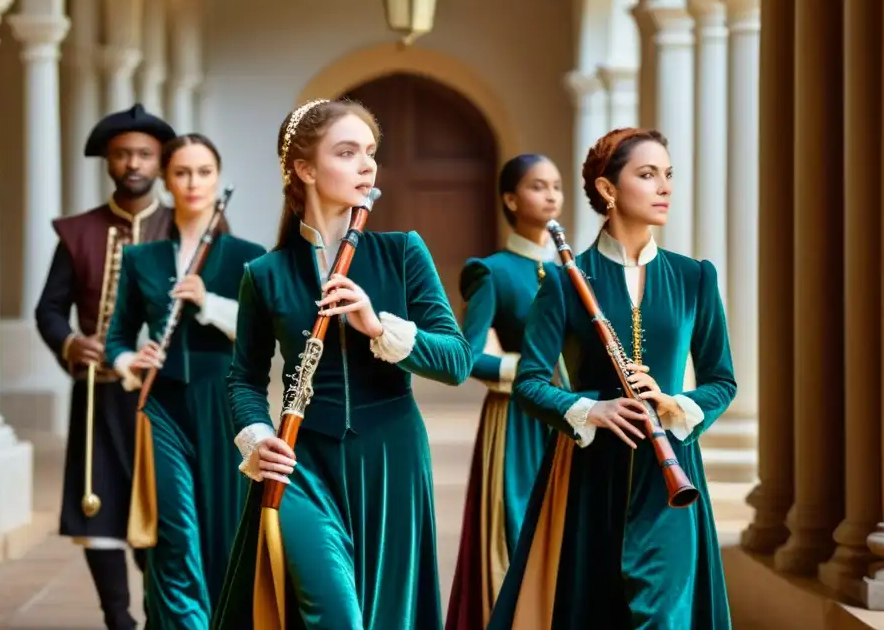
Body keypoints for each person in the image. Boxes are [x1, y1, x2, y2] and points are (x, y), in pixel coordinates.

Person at [212, 98, 473, 630]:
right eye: (347, 152)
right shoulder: (265, 273)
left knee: (385, 616)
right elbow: (243, 379)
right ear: (304, 169)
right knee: (335, 615)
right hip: (301, 461)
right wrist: (258, 438)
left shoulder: (402, 252)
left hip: (391, 458)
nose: (366, 166)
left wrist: (378, 328)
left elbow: (456, 361)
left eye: (370, 153)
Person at [487, 127, 735, 630]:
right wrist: (590, 409)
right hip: (591, 472)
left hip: (671, 476)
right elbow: (532, 381)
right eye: (647, 175)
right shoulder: (564, 280)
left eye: (668, 175)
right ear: (608, 189)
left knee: (664, 615)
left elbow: (721, 381)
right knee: (595, 609)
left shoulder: (695, 278)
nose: (664, 187)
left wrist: (673, 403)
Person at [103, 134, 266, 629]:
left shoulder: (248, 255)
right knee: (175, 535)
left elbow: (267, 333)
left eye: (203, 172)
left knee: (225, 530)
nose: (192, 183)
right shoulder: (141, 259)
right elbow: (115, 340)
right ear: (166, 181)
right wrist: (134, 358)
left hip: (227, 404)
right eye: (181, 173)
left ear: (217, 180)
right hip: (164, 408)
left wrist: (207, 303)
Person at [34, 103, 176, 630]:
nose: (132, 163)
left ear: (160, 161)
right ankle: (117, 619)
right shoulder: (79, 233)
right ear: (108, 163)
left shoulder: (186, 226)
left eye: (143, 154)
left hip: (166, 398)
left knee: (163, 512)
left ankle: (164, 612)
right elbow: (49, 309)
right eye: (122, 155)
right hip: (99, 394)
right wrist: (72, 342)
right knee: (99, 505)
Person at [446, 154, 566, 629]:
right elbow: (466, 355)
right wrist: (529, 369)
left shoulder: (574, 270)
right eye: (538, 186)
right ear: (511, 200)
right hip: (517, 421)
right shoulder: (491, 271)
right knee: (515, 531)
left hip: (571, 418)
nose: (551, 194)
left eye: (556, 185)